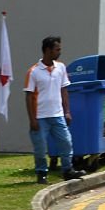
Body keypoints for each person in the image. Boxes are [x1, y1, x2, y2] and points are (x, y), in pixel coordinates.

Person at [24, 36, 87, 185]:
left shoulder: (61, 68)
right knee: (40, 147)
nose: (59, 52)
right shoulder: (33, 72)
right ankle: (41, 173)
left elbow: (64, 91)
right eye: (57, 49)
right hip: (40, 117)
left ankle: (67, 170)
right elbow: (28, 96)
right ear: (48, 50)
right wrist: (32, 119)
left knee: (66, 142)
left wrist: (67, 111)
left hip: (57, 115)